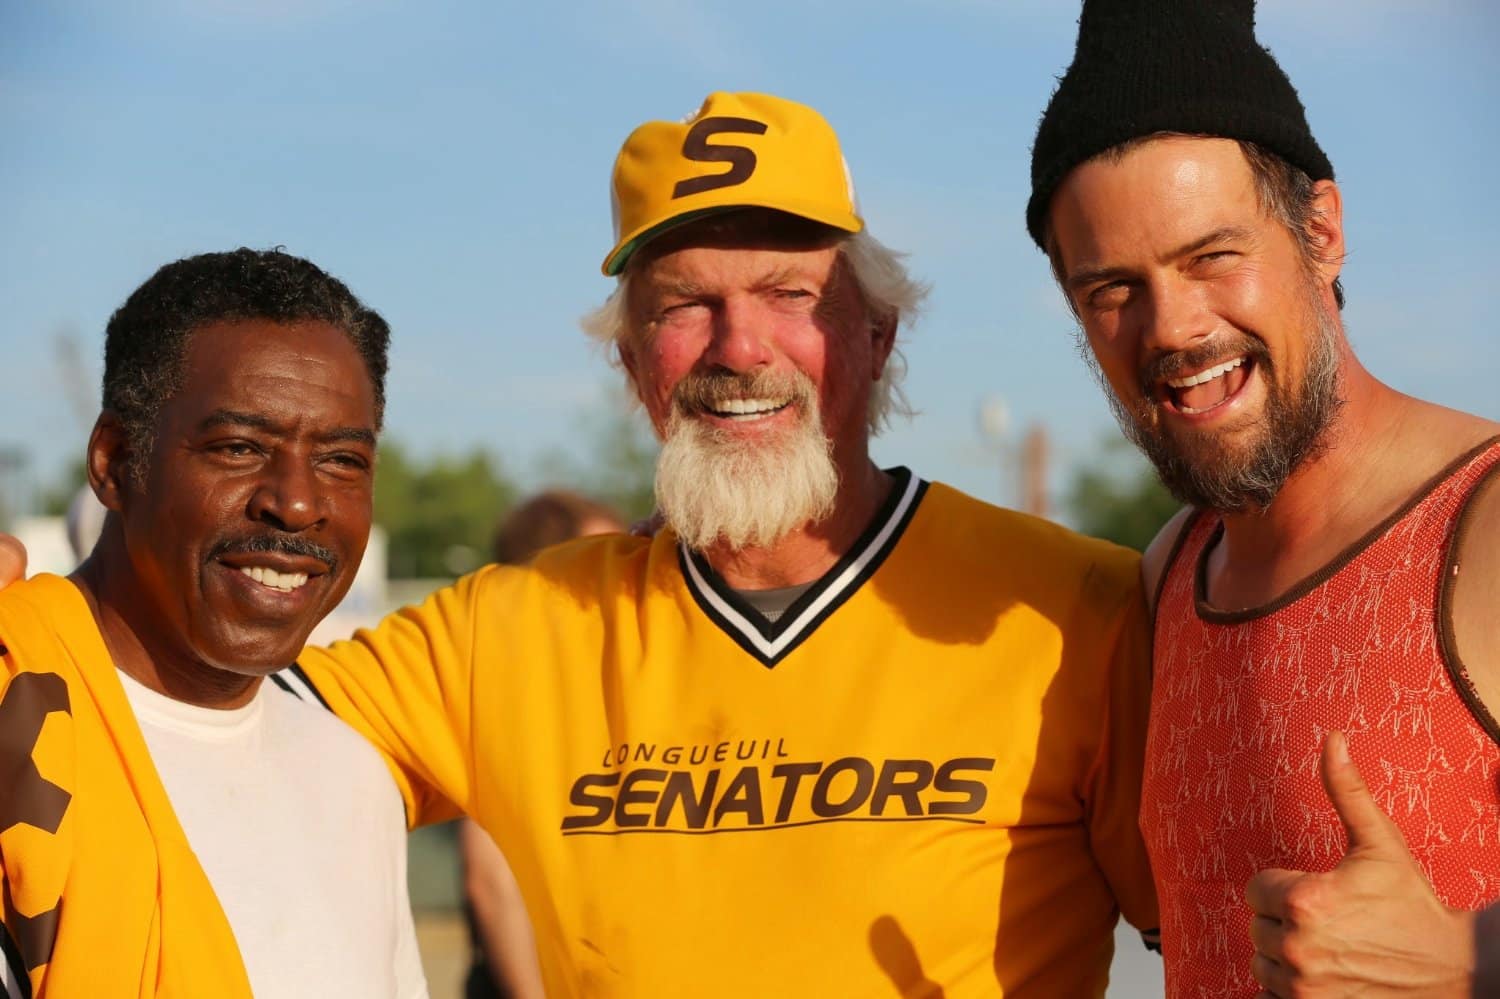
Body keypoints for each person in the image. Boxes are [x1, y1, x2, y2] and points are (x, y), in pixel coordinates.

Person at [276, 91, 1159, 996]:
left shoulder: (1076, 610)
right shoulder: (508, 633)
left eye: (790, 295)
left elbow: (1230, 938)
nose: (739, 348)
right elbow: (188, 729)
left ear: (877, 334)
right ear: (633, 364)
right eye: (685, 305)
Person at [1027, 1, 1500, 995]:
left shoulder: (1486, 524)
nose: (1173, 326)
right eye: (1111, 287)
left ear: (1321, 231)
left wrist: (1473, 959)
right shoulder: (1171, 577)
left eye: (1213, 256)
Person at [0, 249, 425, 999]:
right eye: (238, 448)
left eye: (341, 459)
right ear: (116, 459)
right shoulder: (17, 719)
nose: (296, 503)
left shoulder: (353, 779)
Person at [461, 490, 624, 999]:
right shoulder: (514, 692)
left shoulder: (613, 683)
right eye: (599, 560)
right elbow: (492, 882)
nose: (627, 576)